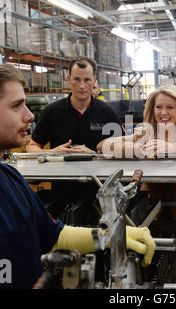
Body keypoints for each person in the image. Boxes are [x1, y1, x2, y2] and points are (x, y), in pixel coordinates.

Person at [0, 58, 154, 288]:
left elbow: (55, 236)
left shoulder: (11, 179)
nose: (30, 116)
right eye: (16, 106)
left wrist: (111, 238)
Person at [98, 84, 176, 282]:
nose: (163, 113)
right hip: (151, 210)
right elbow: (103, 146)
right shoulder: (145, 132)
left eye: (170, 107)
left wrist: (172, 148)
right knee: (154, 270)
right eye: (158, 107)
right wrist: (136, 148)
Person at [26, 57, 124, 223]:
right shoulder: (52, 112)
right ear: (68, 79)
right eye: (77, 79)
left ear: (94, 81)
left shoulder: (106, 112)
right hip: (61, 191)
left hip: (99, 191)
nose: (82, 85)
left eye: (87, 80)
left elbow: (122, 150)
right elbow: (32, 147)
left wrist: (94, 154)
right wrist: (51, 152)